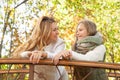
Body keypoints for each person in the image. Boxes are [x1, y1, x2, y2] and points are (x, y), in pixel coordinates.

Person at [12, 16, 68, 80]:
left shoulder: (60, 42)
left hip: (59, 77)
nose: (58, 32)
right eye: (54, 30)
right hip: (39, 78)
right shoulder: (34, 42)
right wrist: (30, 54)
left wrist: (44, 54)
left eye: (57, 29)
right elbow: (20, 54)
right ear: (45, 31)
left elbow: (58, 56)